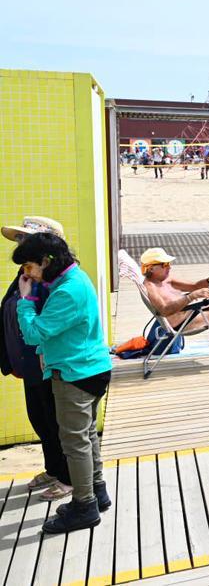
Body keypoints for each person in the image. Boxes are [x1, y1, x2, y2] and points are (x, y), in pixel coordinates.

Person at [12, 232, 112, 534]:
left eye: (29, 266)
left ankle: (84, 506)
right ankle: (97, 491)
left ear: (46, 261)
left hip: (75, 373)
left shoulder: (67, 291)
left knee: (74, 442)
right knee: (87, 435)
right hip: (88, 367)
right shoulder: (71, 280)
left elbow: (34, 333)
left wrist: (25, 300)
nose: (26, 274)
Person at [1, 218, 72, 502]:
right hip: (28, 364)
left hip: (47, 364)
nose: (20, 245)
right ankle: (53, 469)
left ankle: (68, 478)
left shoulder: (50, 283)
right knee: (40, 420)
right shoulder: (26, 275)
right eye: (19, 239)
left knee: (55, 422)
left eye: (25, 239)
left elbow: (46, 325)